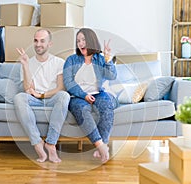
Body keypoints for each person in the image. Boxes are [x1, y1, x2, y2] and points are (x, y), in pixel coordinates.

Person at [14, 29, 70, 163]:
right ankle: (37, 143)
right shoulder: (29, 62)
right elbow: (27, 89)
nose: (38, 44)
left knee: (64, 96)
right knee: (19, 97)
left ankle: (51, 144)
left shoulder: (59, 62)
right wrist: (26, 66)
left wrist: (42, 94)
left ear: (50, 44)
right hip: (34, 99)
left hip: (52, 98)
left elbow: (60, 88)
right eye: (36, 40)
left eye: (42, 41)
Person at [63, 28, 118, 163]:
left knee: (106, 104)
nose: (80, 43)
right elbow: (68, 82)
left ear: (91, 41)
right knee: (82, 109)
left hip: (98, 93)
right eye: (78, 41)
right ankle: (100, 146)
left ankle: (103, 143)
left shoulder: (100, 59)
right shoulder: (71, 60)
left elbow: (112, 76)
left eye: (83, 40)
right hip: (78, 96)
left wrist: (108, 59)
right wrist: (84, 95)